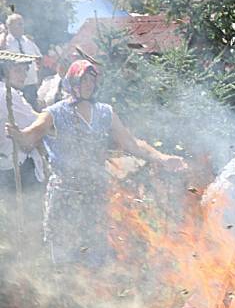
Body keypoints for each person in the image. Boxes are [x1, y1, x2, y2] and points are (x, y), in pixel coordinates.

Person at [5, 59, 186, 267]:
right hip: (66, 194)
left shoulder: (104, 112)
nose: (88, 85)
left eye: (92, 80)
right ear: (72, 82)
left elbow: (132, 143)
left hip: (95, 192)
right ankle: (62, 291)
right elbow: (30, 138)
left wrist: (162, 158)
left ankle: (95, 291)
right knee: (65, 254)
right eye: (83, 80)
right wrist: (18, 135)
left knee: (95, 253)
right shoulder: (54, 113)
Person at [0, 61, 45, 193]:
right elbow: (34, 122)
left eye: (25, 70)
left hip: (7, 164)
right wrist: (51, 115)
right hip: (15, 165)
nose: (24, 75)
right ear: (5, 71)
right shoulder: (6, 93)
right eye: (18, 70)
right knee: (29, 208)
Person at [0, 14, 42, 109]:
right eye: (19, 24)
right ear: (9, 26)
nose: (22, 26)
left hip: (30, 86)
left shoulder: (28, 41)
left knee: (33, 113)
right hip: (12, 86)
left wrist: (38, 77)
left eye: (22, 24)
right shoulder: (5, 40)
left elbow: (39, 59)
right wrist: (3, 35)